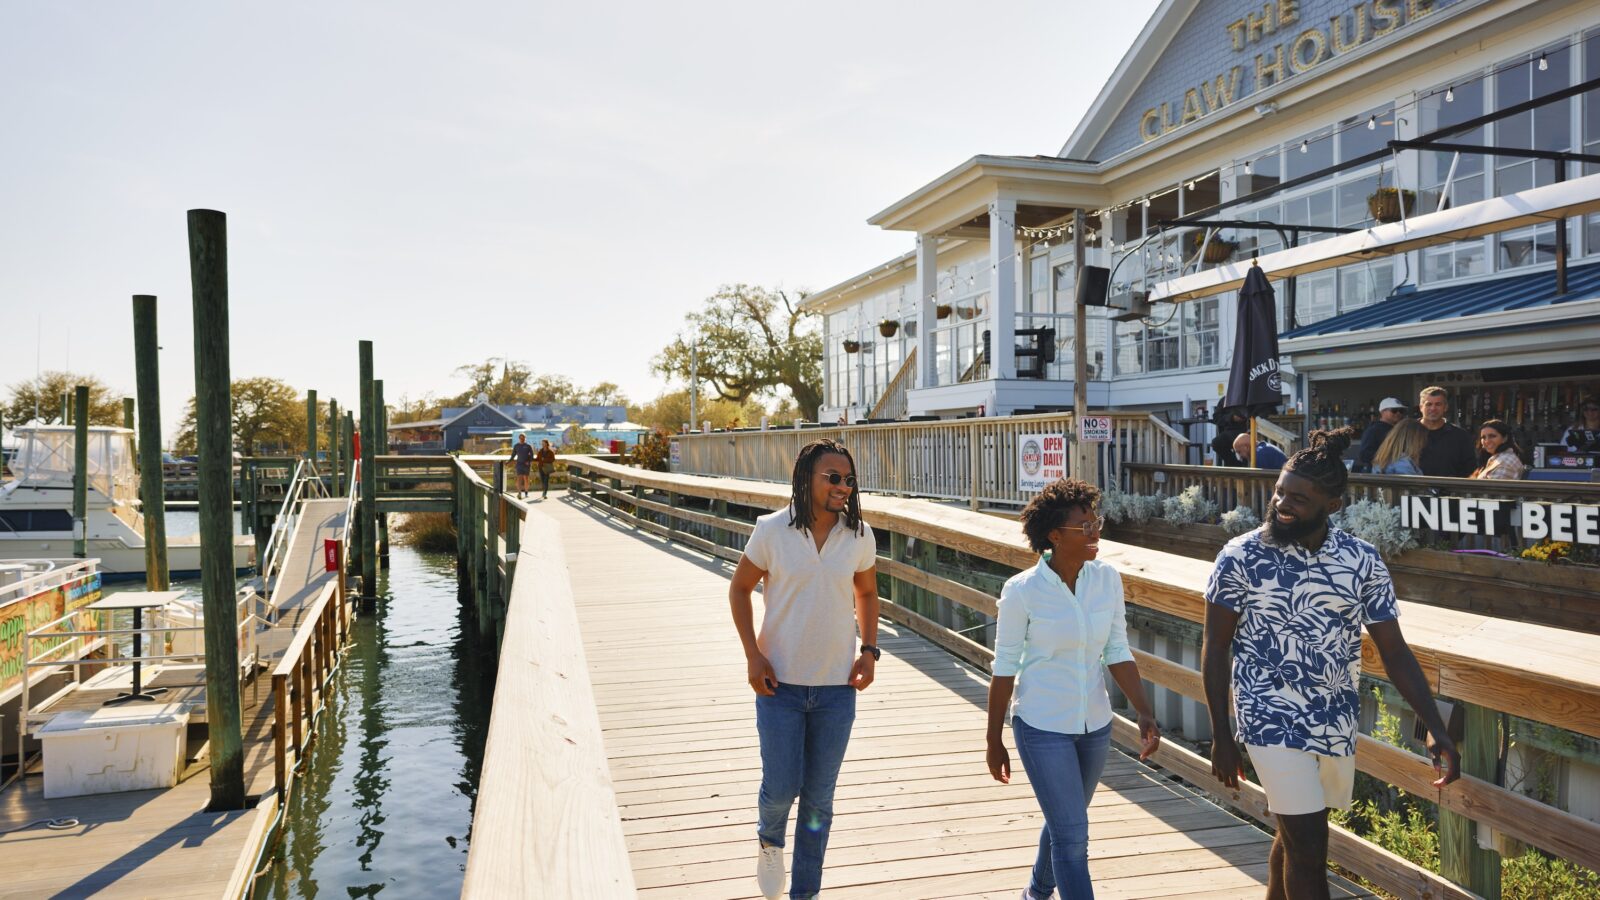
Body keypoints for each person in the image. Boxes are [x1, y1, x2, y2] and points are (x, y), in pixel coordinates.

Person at [1203, 427, 1460, 900]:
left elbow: (1394, 649)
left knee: (1298, 831)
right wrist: (1221, 732)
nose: (1282, 503)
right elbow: (1215, 646)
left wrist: (1435, 724)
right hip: (1268, 717)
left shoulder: (1361, 560)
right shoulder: (1240, 557)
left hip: (1333, 718)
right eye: (1280, 490)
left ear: (1332, 505)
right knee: (1310, 849)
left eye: (1298, 498)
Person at [986, 478, 1160, 900]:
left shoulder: (1107, 580)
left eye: (1095, 522)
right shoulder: (1022, 591)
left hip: (1095, 726)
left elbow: (1116, 650)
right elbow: (1005, 666)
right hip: (1041, 725)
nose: (1095, 532)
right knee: (1073, 836)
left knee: (1067, 823)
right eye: (1084, 526)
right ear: (1054, 535)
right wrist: (993, 739)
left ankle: (1034, 894)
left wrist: (1144, 711)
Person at [729, 439, 880, 900]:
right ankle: (769, 841)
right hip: (780, 686)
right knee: (780, 788)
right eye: (832, 477)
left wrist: (869, 651)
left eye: (849, 480)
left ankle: (806, 892)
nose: (843, 487)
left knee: (819, 799)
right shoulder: (772, 530)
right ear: (806, 479)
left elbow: (868, 594)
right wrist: (753, 655)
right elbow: (739, 590)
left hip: (837, 687)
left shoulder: (859, 535)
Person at [1416, 386, 1476, 477]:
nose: (1433, 408)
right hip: (1414, 489)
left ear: (1446, 407)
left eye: (1438, 404)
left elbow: (1470, 469)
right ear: (1421, 407)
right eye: (1429, 404)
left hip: (1450, 490)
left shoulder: (1460, 436)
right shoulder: (1407, 434)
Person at [1353, 397, 1408, 473]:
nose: (1398, 413)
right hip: (1381, 476)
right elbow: (1364, 454)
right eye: (1394, 410)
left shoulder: (1399, 429)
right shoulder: (1374, 430)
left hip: (1397, 473)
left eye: (1401, 411)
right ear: (1382, 412)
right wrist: (1388, 457)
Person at [508, 433, 534, 498]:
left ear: (525, 438)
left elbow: (532, 455)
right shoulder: (516, 446)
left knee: (526, 478)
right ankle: (519, 493)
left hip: (526, 465)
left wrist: (529, 461)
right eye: (521, 438)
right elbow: (513, 455)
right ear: (519, 438)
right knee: (519, 478)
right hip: (519, 464)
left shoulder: (528, 446)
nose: (522, 439)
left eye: (523, 438)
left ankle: (526, 493)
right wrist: (509, 461)